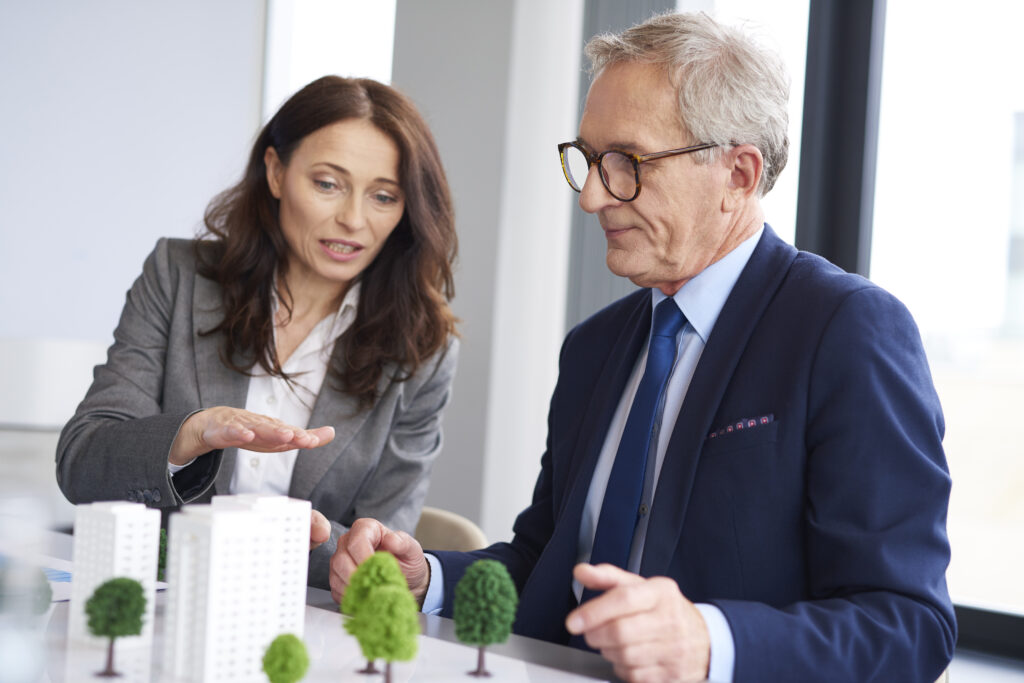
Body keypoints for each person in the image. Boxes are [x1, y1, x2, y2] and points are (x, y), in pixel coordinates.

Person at [329, 12, 955, 683]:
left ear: (739, 174)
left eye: (627, 162)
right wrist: (428, 580)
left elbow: (909, 624)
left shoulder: (847, 330)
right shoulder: (594, 347)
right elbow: (546, 564)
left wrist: (710, 641)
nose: (593, 196)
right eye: (589, 160)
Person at [56, 75, 459, 589]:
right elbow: (81, 463)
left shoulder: (424, 348)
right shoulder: (179, 278)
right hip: (154, 604)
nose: (353, 219)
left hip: (299, 626)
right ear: (275, 172)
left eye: (383, 196)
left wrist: (293, 537)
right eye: (328, 184)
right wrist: (190, 435)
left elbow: (380, 555)